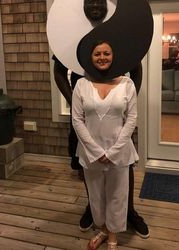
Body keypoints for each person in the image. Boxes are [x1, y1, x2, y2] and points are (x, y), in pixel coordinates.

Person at [53, 0, 149, 238]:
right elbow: (58, 72)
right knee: (88, 162)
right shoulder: (72, 34)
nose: (95, 7)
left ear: (107, 7)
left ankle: (129, 211)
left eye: (99, 3)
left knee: (122, 163)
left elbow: (135, 69)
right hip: (86, 106)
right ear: (84, 7)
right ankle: (92, 207)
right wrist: (76, 100)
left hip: (115, 109)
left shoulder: (118, 31)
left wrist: (126, 99)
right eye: (90, 3)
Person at [72, 41, 139, 250]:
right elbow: (77, 120)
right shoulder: (81, 85)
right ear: (91, 58)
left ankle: (113, 236)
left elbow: (131, 119)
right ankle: (101, 229)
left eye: (107, 53)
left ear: (113, 56)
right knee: (96, 194)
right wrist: (96, 151)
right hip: (90, 153)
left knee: (117, 195)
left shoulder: (127, 84)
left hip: (119, 153)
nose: (102, 57)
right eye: (97, 54)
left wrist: (113, 151)